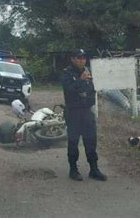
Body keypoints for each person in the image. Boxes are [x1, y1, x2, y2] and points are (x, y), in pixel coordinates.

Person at [60, 49, 107, 182]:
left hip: (86, 111)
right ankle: (73, 170)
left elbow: (91, 93)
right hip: (73, 112)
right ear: (72, 59)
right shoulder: (67, 73)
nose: (82, 60)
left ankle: (94, 169)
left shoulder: (88, 73)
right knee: (73, 142)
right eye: (79, 58)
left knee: (91, 141)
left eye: (84, 58)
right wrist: (80, 83)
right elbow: (69, 91)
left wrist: (82, 94)